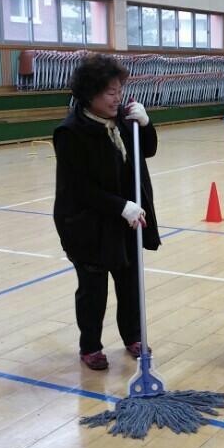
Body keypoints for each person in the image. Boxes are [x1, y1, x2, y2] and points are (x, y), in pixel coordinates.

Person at [53, 53, 160, 371]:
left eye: (119, 90)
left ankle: (133, 337)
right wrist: (120, 206)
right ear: (90, 94)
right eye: (110, 92)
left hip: (126, 221)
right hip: (88, 224)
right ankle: (91, 346)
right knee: (93, 290)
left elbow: (148, 150)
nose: (117, 98)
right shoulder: (71, 131)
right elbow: (78, 187)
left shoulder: (123, 120)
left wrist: (146, 124)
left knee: (130, 284)